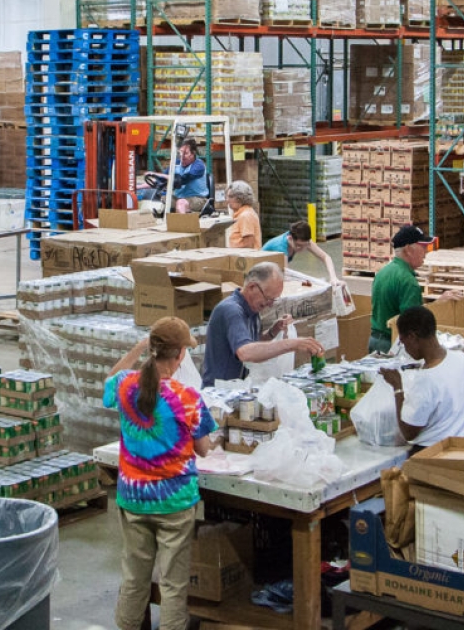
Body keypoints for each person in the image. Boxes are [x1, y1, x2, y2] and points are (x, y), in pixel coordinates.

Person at [103, 316, 217, 630]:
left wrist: (140, 347)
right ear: (180, 354)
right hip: (174, 503)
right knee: (173, 585)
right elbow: (204, 448)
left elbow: (109, 380)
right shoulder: (188, 398)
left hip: (133, 498)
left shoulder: (127, 386)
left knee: (134, 580)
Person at [201, 261, 324, 387]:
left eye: (273, 300)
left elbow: (252, 342)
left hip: (237, 387)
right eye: (268, 298)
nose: (269, 304)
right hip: (219, 391)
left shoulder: (253, 310)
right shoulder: (231, 310)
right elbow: (245, 352)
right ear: (252, 287)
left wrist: (273, 331)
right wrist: (292, 344)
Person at [380, 306, 464, 452]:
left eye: (404, 343)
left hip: (433, 454)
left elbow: (408, 432)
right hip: (461, 444)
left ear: (412, 337)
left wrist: (397, 388)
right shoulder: (462, 359)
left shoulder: (426, 379)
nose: (405, 349)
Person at [369, 224, 461, 354]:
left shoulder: (383, 272)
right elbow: (414, 322)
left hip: (376, 340)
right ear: (408, 250)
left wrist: (437, 303)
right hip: (393, 344)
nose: (426, 252)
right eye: (422, 247)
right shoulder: (408, 281)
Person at [263, 220, 343, 285]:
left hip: (274, 271)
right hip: (263, 273)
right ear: (290, 238)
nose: (302, 249)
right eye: (298, 246)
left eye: (305, 245)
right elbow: (286, 276)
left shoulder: (304, 241)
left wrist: (333, 278)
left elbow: (326, 257)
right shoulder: (280, 247)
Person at [226, 180, 261, 249]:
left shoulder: (245, 215)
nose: (227, 200)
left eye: (230, 197)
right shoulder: (243, 213)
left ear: (240, 197)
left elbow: (248, 245)